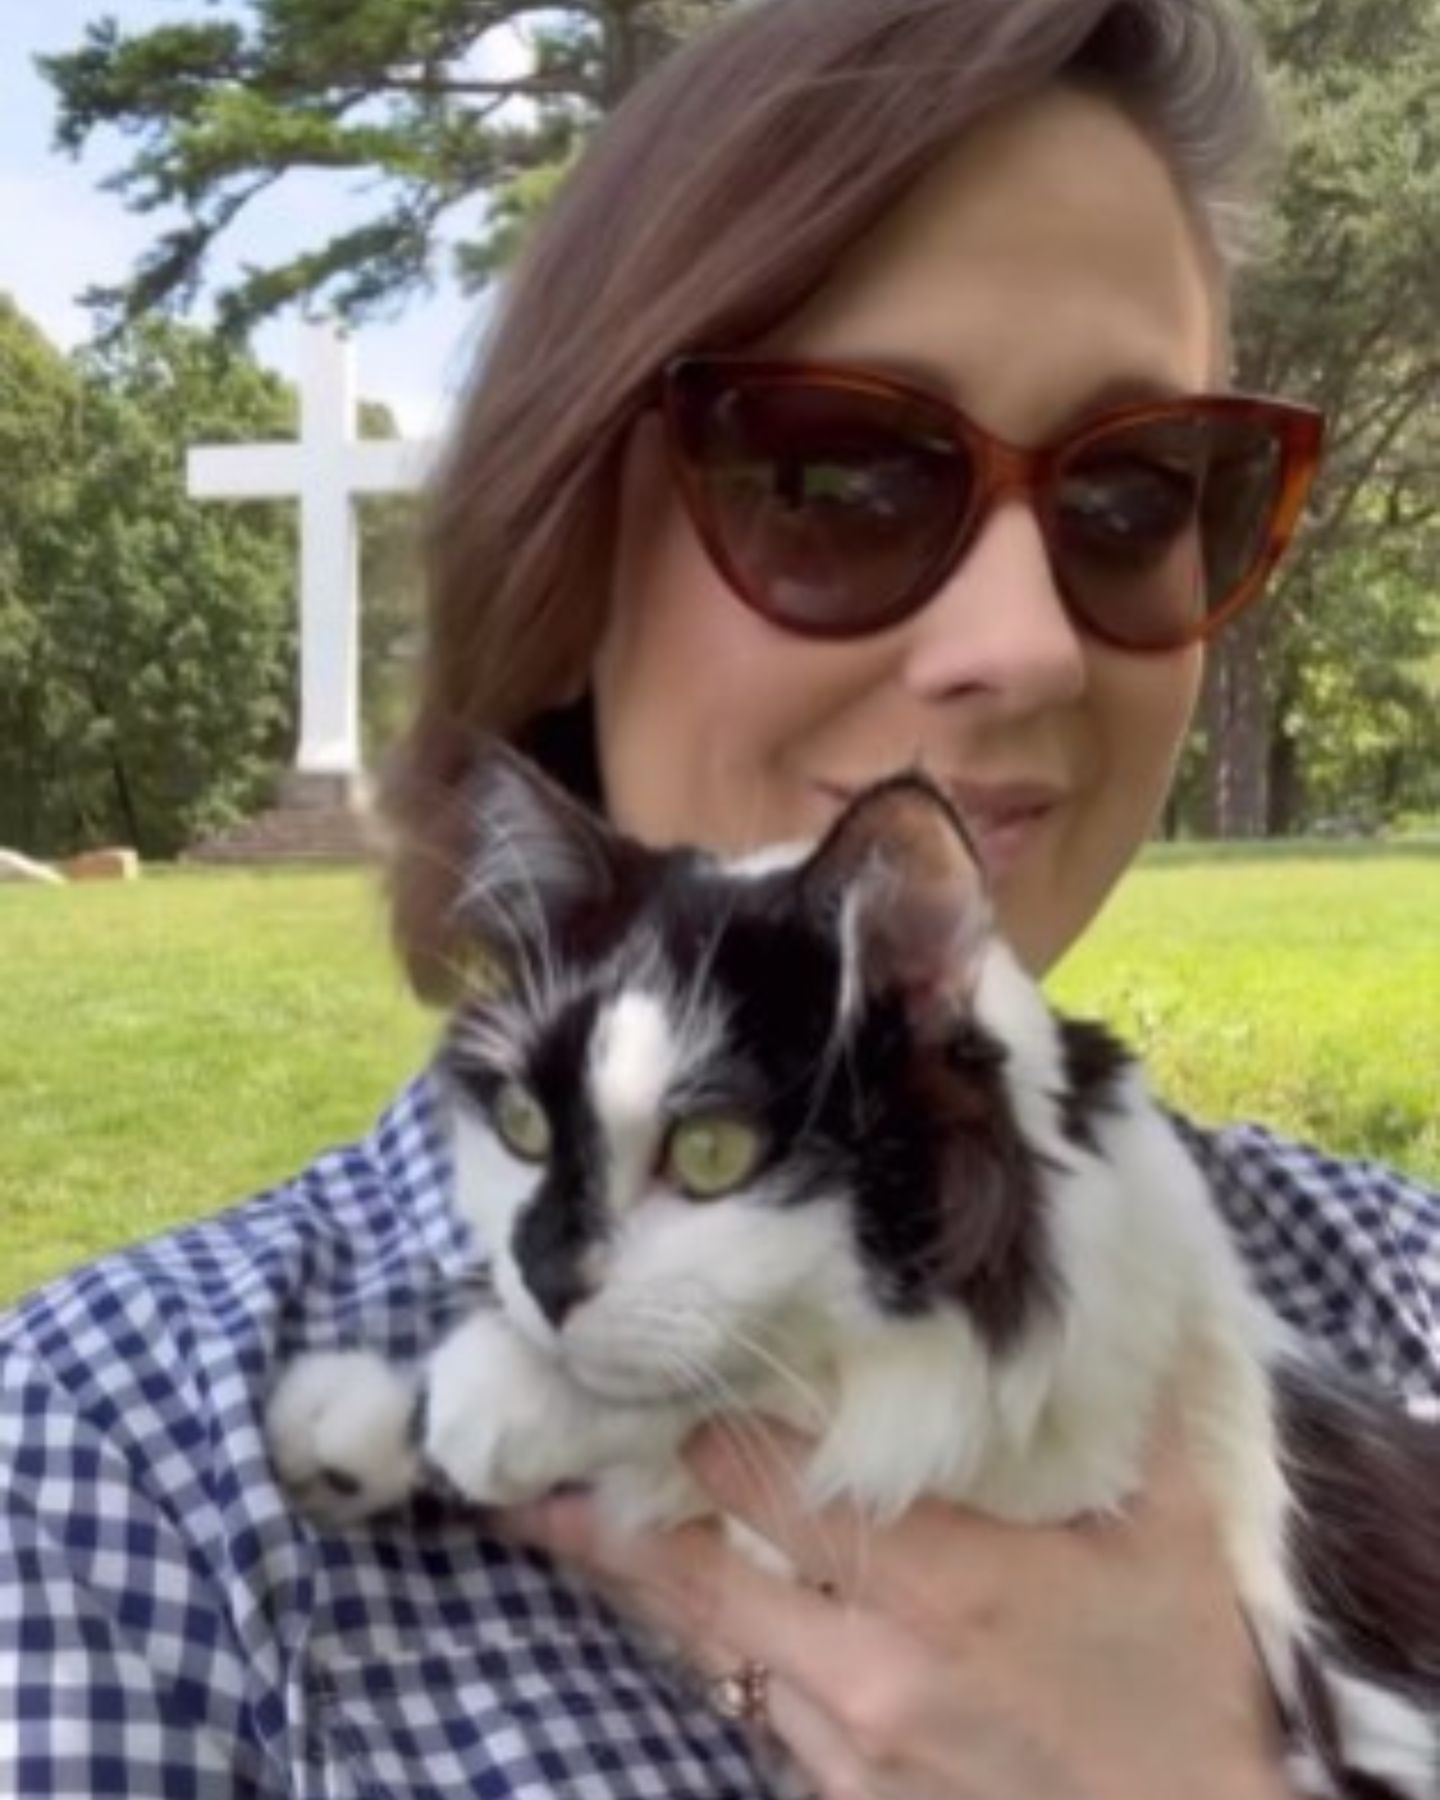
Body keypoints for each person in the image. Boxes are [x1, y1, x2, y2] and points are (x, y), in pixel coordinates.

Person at [2, 0, 1436, 1795]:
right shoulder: (107, 1491)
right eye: (834, 474)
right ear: (564, 541)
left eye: (1140, 491)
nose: (1025, 643)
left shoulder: (1403, 1298)